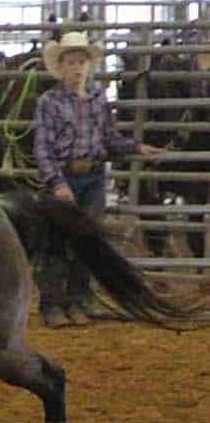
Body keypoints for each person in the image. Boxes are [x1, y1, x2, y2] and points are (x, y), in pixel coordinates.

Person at [33, 31, 165, 327]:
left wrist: (136, 148)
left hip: (93, 175)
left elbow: (109, 138)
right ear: (61, 66)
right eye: (70, 62)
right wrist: (57, 183)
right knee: (57, 242)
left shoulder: (97, 98)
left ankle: (80, 300)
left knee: (88, 239)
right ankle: (53, 304)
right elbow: (42, 149)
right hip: (65, 174)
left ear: (88, 65)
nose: (77, 68)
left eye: (81, 62)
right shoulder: (49, 102)